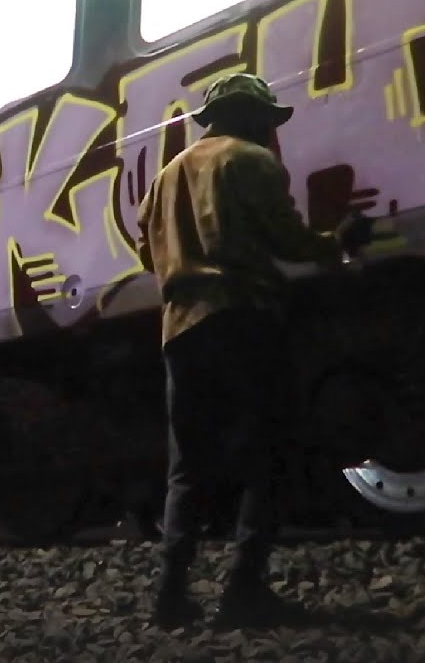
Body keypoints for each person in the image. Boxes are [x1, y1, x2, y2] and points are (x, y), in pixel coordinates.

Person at [136, 72, 373, 629]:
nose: (271, 131)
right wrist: (337, 242)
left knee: (187, 468)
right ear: (249, 117)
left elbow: (150, 254)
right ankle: (244, 589)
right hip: (241, 316)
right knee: (270, 454)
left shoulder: (165, 179)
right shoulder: (251, 161)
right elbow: (286, 239)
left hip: (179, 329)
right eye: (267, 120)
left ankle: (170, 596)